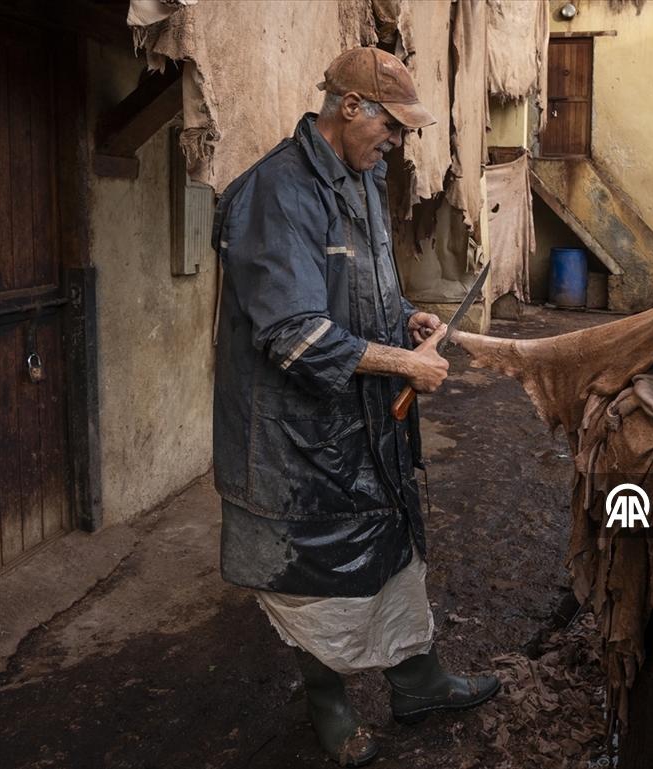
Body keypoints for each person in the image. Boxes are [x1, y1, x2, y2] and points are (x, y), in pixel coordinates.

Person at [211, 47, 499, 767]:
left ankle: (418, 680)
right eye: (392, 127)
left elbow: (369, 289)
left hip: (360, 421)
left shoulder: (364, 179)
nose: (399, 143)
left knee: (393, 549)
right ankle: (328, 703)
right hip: (294, 442)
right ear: (349, 107)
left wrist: (406, 321)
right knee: (315, 581)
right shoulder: (276, 192)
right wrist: (405, 364)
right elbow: (292, 334)